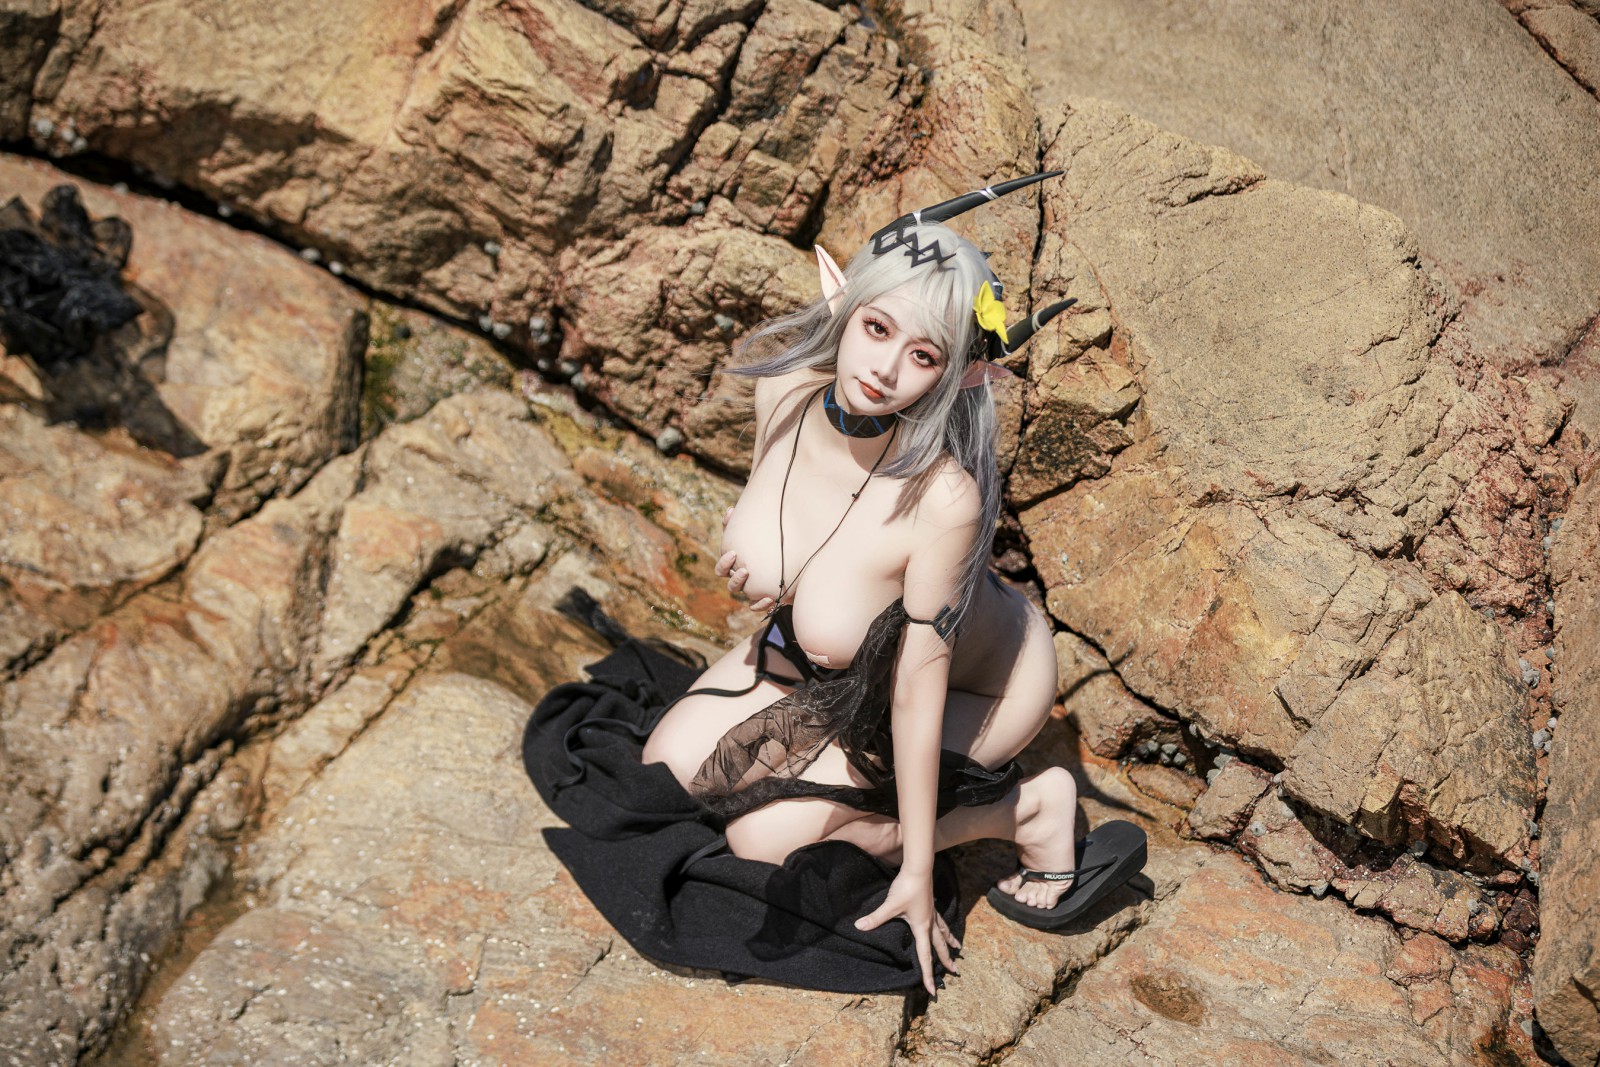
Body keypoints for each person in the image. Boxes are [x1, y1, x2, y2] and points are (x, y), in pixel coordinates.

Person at [632, 174, 1147, 995]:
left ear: (957, 375)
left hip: (973, 687)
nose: (883, 370)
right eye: (876, 328)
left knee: (765, 842)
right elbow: (788, 521)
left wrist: (914, 865)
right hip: (819, 660)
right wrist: (763, 572)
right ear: (842, 301)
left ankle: (1026, 808)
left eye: (924, 355)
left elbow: (915, 687)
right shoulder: (784, 390)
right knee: (665, 768)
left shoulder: (943, 499)